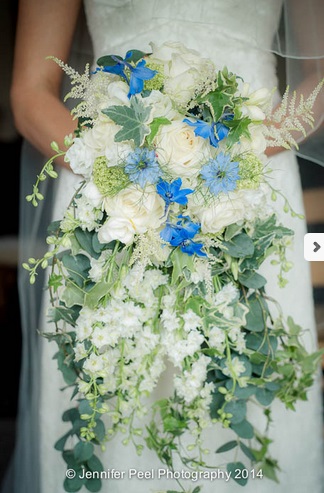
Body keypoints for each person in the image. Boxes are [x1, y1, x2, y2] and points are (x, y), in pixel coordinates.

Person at [3, 1, 324, 492]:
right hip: (108, 191)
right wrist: (117, 166)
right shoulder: (110, 173)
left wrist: (233, 156)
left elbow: (319, 82)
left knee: (254, 387)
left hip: (249, 185)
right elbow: (30, 91)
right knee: (105, 395)